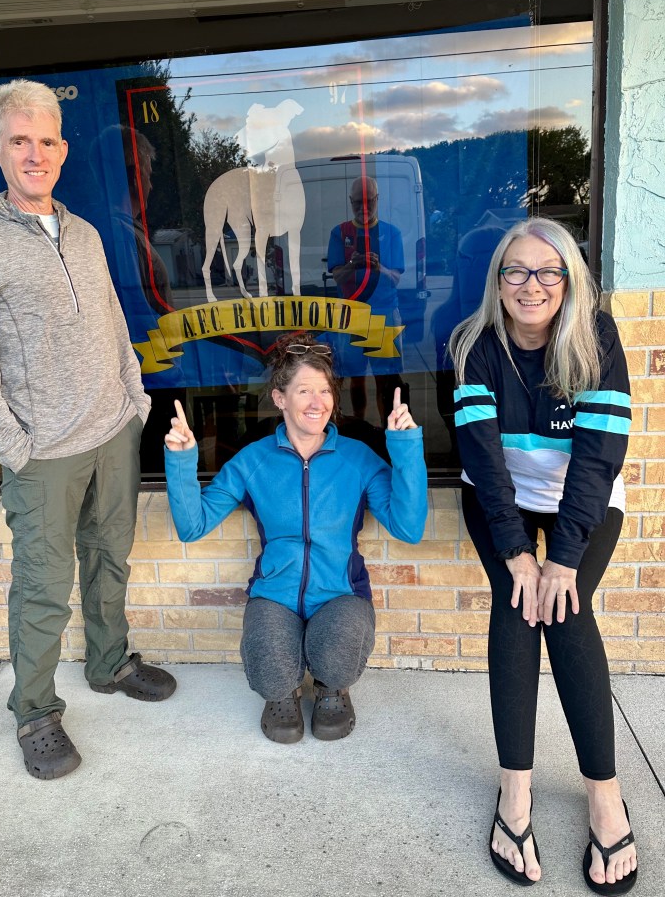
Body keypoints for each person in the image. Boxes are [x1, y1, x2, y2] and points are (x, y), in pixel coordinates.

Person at [0, 79, 176, 781]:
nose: (34, 154)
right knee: (43, 588)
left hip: (112, 433)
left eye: (45, 141)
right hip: (41, 453)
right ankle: (35, 712)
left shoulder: (86, 234)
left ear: (63, 150)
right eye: (20, 140)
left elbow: (113, 322)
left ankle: (109, 662)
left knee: (110, 559)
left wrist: (134, 402)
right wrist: (10, 445)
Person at [449, 217, 637, 893]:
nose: (532, 285)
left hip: (579, 501)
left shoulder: (597, 338)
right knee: (517, 605)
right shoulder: (474, 345)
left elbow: (598, 457)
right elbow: (483, 460)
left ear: (569, 279)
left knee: (565, 609)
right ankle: (515, 792)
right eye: (517, 271)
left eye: (548, 270)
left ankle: (605, 797)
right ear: (498, 281)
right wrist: (515, 553)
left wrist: (561, 557)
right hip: (500, 497)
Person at [164, 332, 427, 742]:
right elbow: (192, 525)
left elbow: (408, 528)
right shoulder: (253, 460)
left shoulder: (358, 458)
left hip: (340, 593)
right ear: (279, 398)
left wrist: (406, 447)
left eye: (324, 390)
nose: (317, 402)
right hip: (275, 594)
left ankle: (330, 687)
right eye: (304, 390)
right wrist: (182, 459)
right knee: (269, 669)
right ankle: (282, 691)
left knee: (339, 651)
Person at [327, 176, 405, 422]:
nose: (363, 207)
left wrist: (378, 267)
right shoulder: (339, 233)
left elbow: (395, 279)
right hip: (352, 318)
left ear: (377, 199)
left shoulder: (391, 233)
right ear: (350, 201)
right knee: (355, 377)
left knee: (385, 379)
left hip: (383, 316)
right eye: (357, 203)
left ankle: (385, 428)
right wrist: (354, 264)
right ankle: (359, 425)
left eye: (369, 201)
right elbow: (337, 276)